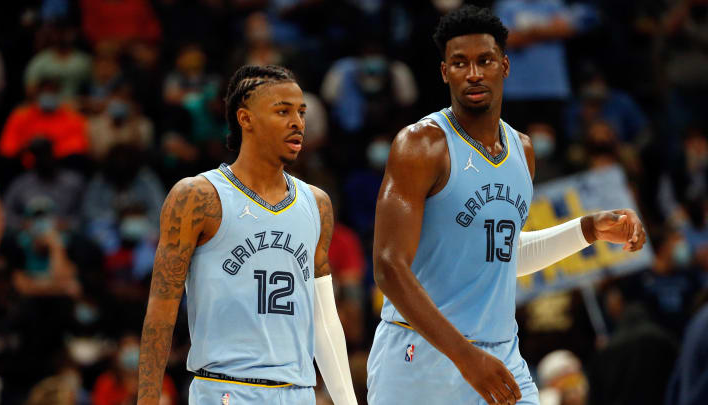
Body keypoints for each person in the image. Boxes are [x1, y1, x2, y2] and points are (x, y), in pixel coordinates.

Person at [367, 6, 647, 405]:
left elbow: (503, 258)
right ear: (445, 72)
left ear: (505, 66)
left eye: (485, 61)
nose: (474, 73)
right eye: (460, 63)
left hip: (499, 353)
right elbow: (388, 267)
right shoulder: (421, 145)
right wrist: (464, 356)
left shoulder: (523, 151)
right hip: (421, 354)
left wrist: (587, 230)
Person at [137, 65, 358, 405]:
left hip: (298, 392)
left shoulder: (317, 203)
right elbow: (161, 309)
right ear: (245, 118)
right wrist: (147, 400)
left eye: (301, 112)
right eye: (282, 111)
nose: (298, 122)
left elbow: (324, 316)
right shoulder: (199, 196)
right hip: (226, 389)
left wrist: (346, 401)